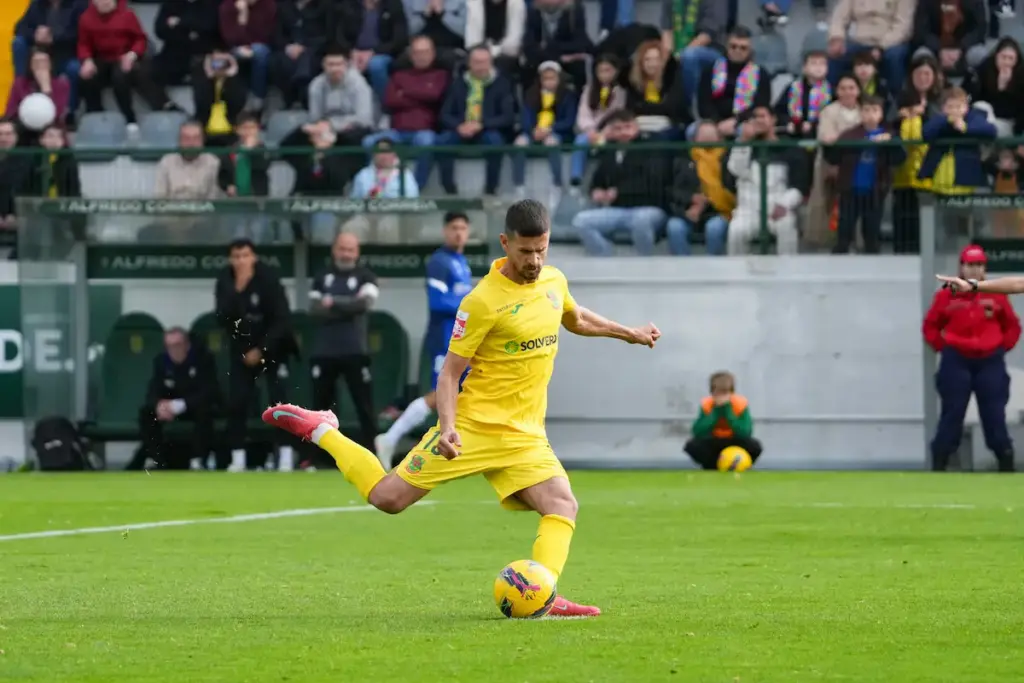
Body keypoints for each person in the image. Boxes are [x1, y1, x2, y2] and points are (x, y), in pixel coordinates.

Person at [262, 199, 661, 618]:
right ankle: (324, 430)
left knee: (562, 505)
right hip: (473, 427)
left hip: (525, 434)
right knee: (387, 498)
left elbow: (575, 317)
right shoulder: (482, 301)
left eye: (541, 250)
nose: (534, 260)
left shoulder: (553, 280)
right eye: (525, 251)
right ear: (505, 243)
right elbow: (450, 374)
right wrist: (448, 426)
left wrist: (629, 333)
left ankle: (542, 590)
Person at [375, 211, 473, 467]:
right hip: (443, 338)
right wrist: (470, 303)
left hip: (460, 339)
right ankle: (390, 438)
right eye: (454, 228)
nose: (459, 233)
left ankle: (453, 451)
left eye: (463, 228)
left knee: (461, 393)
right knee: (440, 395)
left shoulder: (461, 262)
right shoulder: (439, 262)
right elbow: (437, 302)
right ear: (445, 231)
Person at [931, 245, 1021, 472]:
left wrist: (1000, 347)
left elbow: (1012, 326)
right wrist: (945, 348)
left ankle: (1005, 461)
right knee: (952, 413)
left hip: (990, 360)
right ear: (961, 267)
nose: (974, 269)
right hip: (957, 359)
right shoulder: (946, 295)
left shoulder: (996, 295)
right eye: (970, 265)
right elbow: (931, 326)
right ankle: (940, 462)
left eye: (979, 265)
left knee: (994, 415)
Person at [215, 238, 300, 472]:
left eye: (245, 256)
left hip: (273, 348)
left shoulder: (268, 279)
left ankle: (285, 456)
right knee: (238, 401)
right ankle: (238, 458)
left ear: (253, 257)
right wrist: (237, 290)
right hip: (242, 350)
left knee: (279, 402)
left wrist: (261, 349)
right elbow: (223, 318)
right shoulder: (225, 280)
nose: (241, 261)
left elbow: (281, 319)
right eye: (236, 257)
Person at [308, 233, 381, 451]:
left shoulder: (366, 276)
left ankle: (373, 453)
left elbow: (363, 305)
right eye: (342, 249)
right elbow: (315, 309)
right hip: (325, 350)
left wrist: (332, 302)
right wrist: (348, 305)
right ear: (334, 250)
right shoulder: (322, 276)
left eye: (350, 250)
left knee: (364, 406)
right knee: (322, 409)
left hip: (355, 349)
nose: (346, 254)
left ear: (357, 252)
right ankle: (318, 458)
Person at [132, 327, 221, 471]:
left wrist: (181, 405)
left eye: (177, 345)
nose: (173, 350)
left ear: (187, 344)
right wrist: (159, 405)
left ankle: (197, 460)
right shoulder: (161, 361)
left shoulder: (203, 359)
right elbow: (153, 390)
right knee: (147, 413)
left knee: (205, 412)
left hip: (194, 406)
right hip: (169, 409)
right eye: (169, 346)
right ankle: (157, 460)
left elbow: (209, 391)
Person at [684, 371, 762, 470]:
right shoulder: (707, 405)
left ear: (731, 393)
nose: (721, 397)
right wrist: (716, 411)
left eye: (725, 393)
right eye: (718, 392)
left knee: (755, 446)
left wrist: (727, 410)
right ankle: (713, 466)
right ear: (712, 392)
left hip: (734, 439)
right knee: (692, 445)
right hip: (714, 440)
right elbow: (697, 431)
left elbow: (745, 432)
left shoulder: (740, 404)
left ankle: (740, 464)